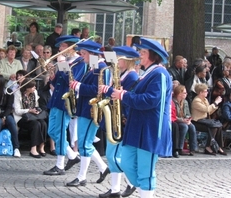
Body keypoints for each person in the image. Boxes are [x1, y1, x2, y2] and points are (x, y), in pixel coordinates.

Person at [110, 37, 172, 197]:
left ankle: (146, 190)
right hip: (137, 128)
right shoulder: (147, 73)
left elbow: (151, 100)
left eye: (143, 52)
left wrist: (124, 95)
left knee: (146, 172)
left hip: (150, 130)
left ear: (153, 55)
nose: (139, 54)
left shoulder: (160, 74)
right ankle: (144, 188)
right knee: (126, 163)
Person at [66, 40, 110, 187]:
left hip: (92, 110)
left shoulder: (101, 67)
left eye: (84, 53)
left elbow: (97, 90)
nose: (81, 56)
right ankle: (103, 169)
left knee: (85, 143)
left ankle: (81, 176)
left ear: (92, 54)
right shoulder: (94, 67)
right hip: (86, 108)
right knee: (86, 142)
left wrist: (77, 86)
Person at [98, 46, 139, 198]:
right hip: (115, 117)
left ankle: (132, 182)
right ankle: (115, 189)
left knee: (114, 155)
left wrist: (107, 90)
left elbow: (126, 99)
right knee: (111, 155)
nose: (116, 60)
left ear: (127, 61)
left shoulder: (132, 77)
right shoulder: (122, 74)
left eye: (119, 58)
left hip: (121, 119)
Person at [43, 35, 84, 176]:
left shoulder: (79, 62)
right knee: (52, 131)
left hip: (66, 101)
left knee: (60, 132)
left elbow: (71, 81)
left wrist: (62, 65)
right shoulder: (65, 61)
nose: (59, 49)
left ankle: (59, 165)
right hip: (56, 99)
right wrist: (52, 74)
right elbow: (56, 83)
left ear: (70, 47)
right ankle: (72, 156)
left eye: (62, 46)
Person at [0, 74, 21, 158]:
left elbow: (9, 107)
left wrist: (5, 116)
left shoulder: (8, 91)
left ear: (0, 82)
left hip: (6, 113)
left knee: (11, 123)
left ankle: (16, 148)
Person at [13, 79, 47, 158]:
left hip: (33, 116)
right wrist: (29, 110)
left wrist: (36, 110)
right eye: (32, 86)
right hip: (22, 117)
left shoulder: (34, 93)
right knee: (36, 124)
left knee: (43, 123)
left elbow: (36, 105)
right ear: (27, 88)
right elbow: (17, 110)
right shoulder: (18, 94)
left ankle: (42, 146)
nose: (34, 88)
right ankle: (33, 148)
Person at [191, 83, 226, 156]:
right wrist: (215, 102)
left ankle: (219, 146)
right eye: (205, 91)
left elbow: (209, 111)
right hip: (197, 121)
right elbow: (206, 109)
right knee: (213, 127)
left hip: (204, 121)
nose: (207, 92)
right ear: (200, 92)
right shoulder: (196, 101)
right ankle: (208, 146)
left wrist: (215, 105)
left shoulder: (205, 100)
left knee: (218, 126)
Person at [173, 85, 197, 156]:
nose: (186, 94)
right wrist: (183, 120)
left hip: (183, 120)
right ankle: (180, 148)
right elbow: (174, 116)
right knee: (184, 127)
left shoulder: (185, 102)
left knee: (192, 127)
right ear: (179, 93)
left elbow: (187, 113)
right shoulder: (173, 101)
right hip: (177, 121)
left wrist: (188, 119)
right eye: (184, 93)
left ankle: (193, 148)